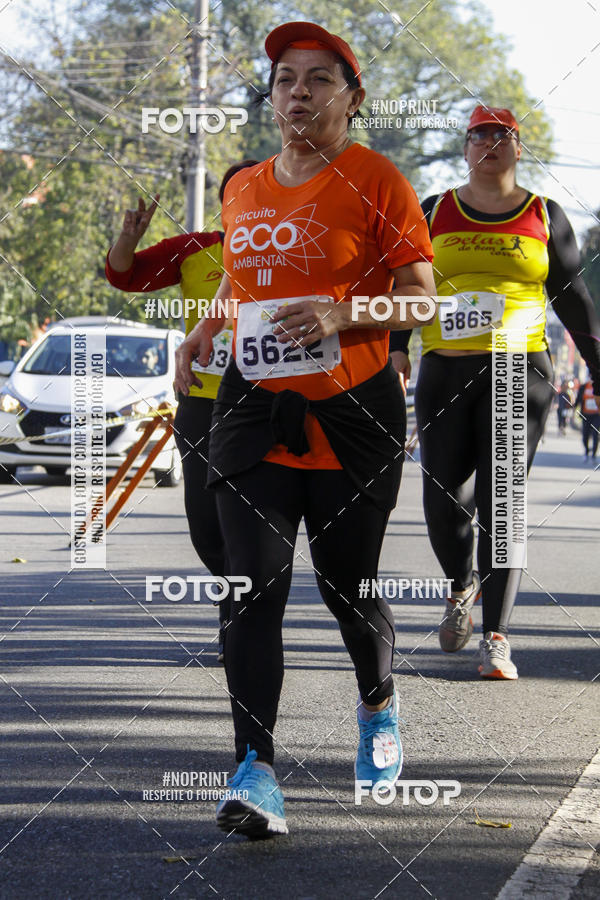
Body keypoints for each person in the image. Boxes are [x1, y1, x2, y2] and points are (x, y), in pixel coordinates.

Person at [174, 21, 436, 838]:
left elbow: (423, 299)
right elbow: (242, 284)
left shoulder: (378, 179)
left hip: (354, 415)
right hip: (254, 408)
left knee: (345, 585)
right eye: (287, 78)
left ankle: (378, 703)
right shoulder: (244, 186)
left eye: (319, 80)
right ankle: (255, 769)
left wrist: (343, 310)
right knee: (252, 585)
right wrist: (204, 332)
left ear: (352, 99)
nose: (299, 93)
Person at [392, 105, 600, 680]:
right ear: (465, 148)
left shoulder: (544, 214)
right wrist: (395, 349)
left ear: (517, 146)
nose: (491, 143)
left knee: (502, 503)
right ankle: (461, 585)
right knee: (444, 498)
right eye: (479, 134)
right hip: (446, 370)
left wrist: (597, 367)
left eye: (502, 135)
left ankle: (496, 639)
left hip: (518, 371)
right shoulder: (434, 210)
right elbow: (406, 283)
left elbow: (574, 299)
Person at [105, 160, 257, 660]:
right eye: (236, 193)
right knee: (205, 521)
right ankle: (237, 600)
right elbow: (125, 276)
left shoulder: (294, 245)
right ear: (224, 202)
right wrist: (128, 237)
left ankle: (245, 619)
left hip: (268, 401)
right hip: (203, 400)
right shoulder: (195, 249)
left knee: (252, 517)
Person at [575, 379, 600, 461]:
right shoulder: (583, 387)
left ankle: (593, 454)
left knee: (595, 434)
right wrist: (574, 408)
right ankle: (586, 451)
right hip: (586, 415)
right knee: (585, 434)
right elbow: (578, 398)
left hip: (596, 415)